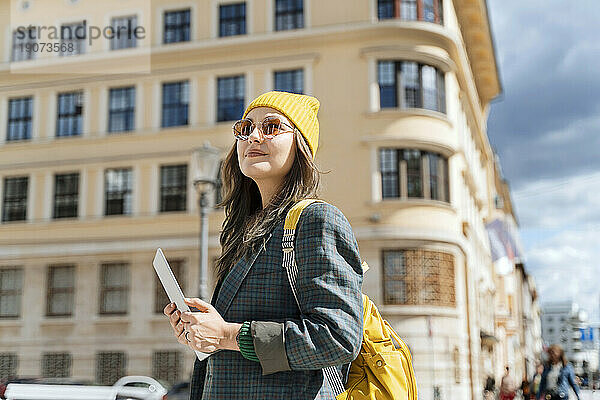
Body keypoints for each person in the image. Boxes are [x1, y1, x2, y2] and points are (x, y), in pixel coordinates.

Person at [163, 91, 364, 399]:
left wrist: (228, 334)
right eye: (245, 128)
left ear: (300, 146)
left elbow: (338, 338)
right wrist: (202, 333)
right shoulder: (243, 230)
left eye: (271, 127)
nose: (253, 137)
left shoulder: (317, 219)